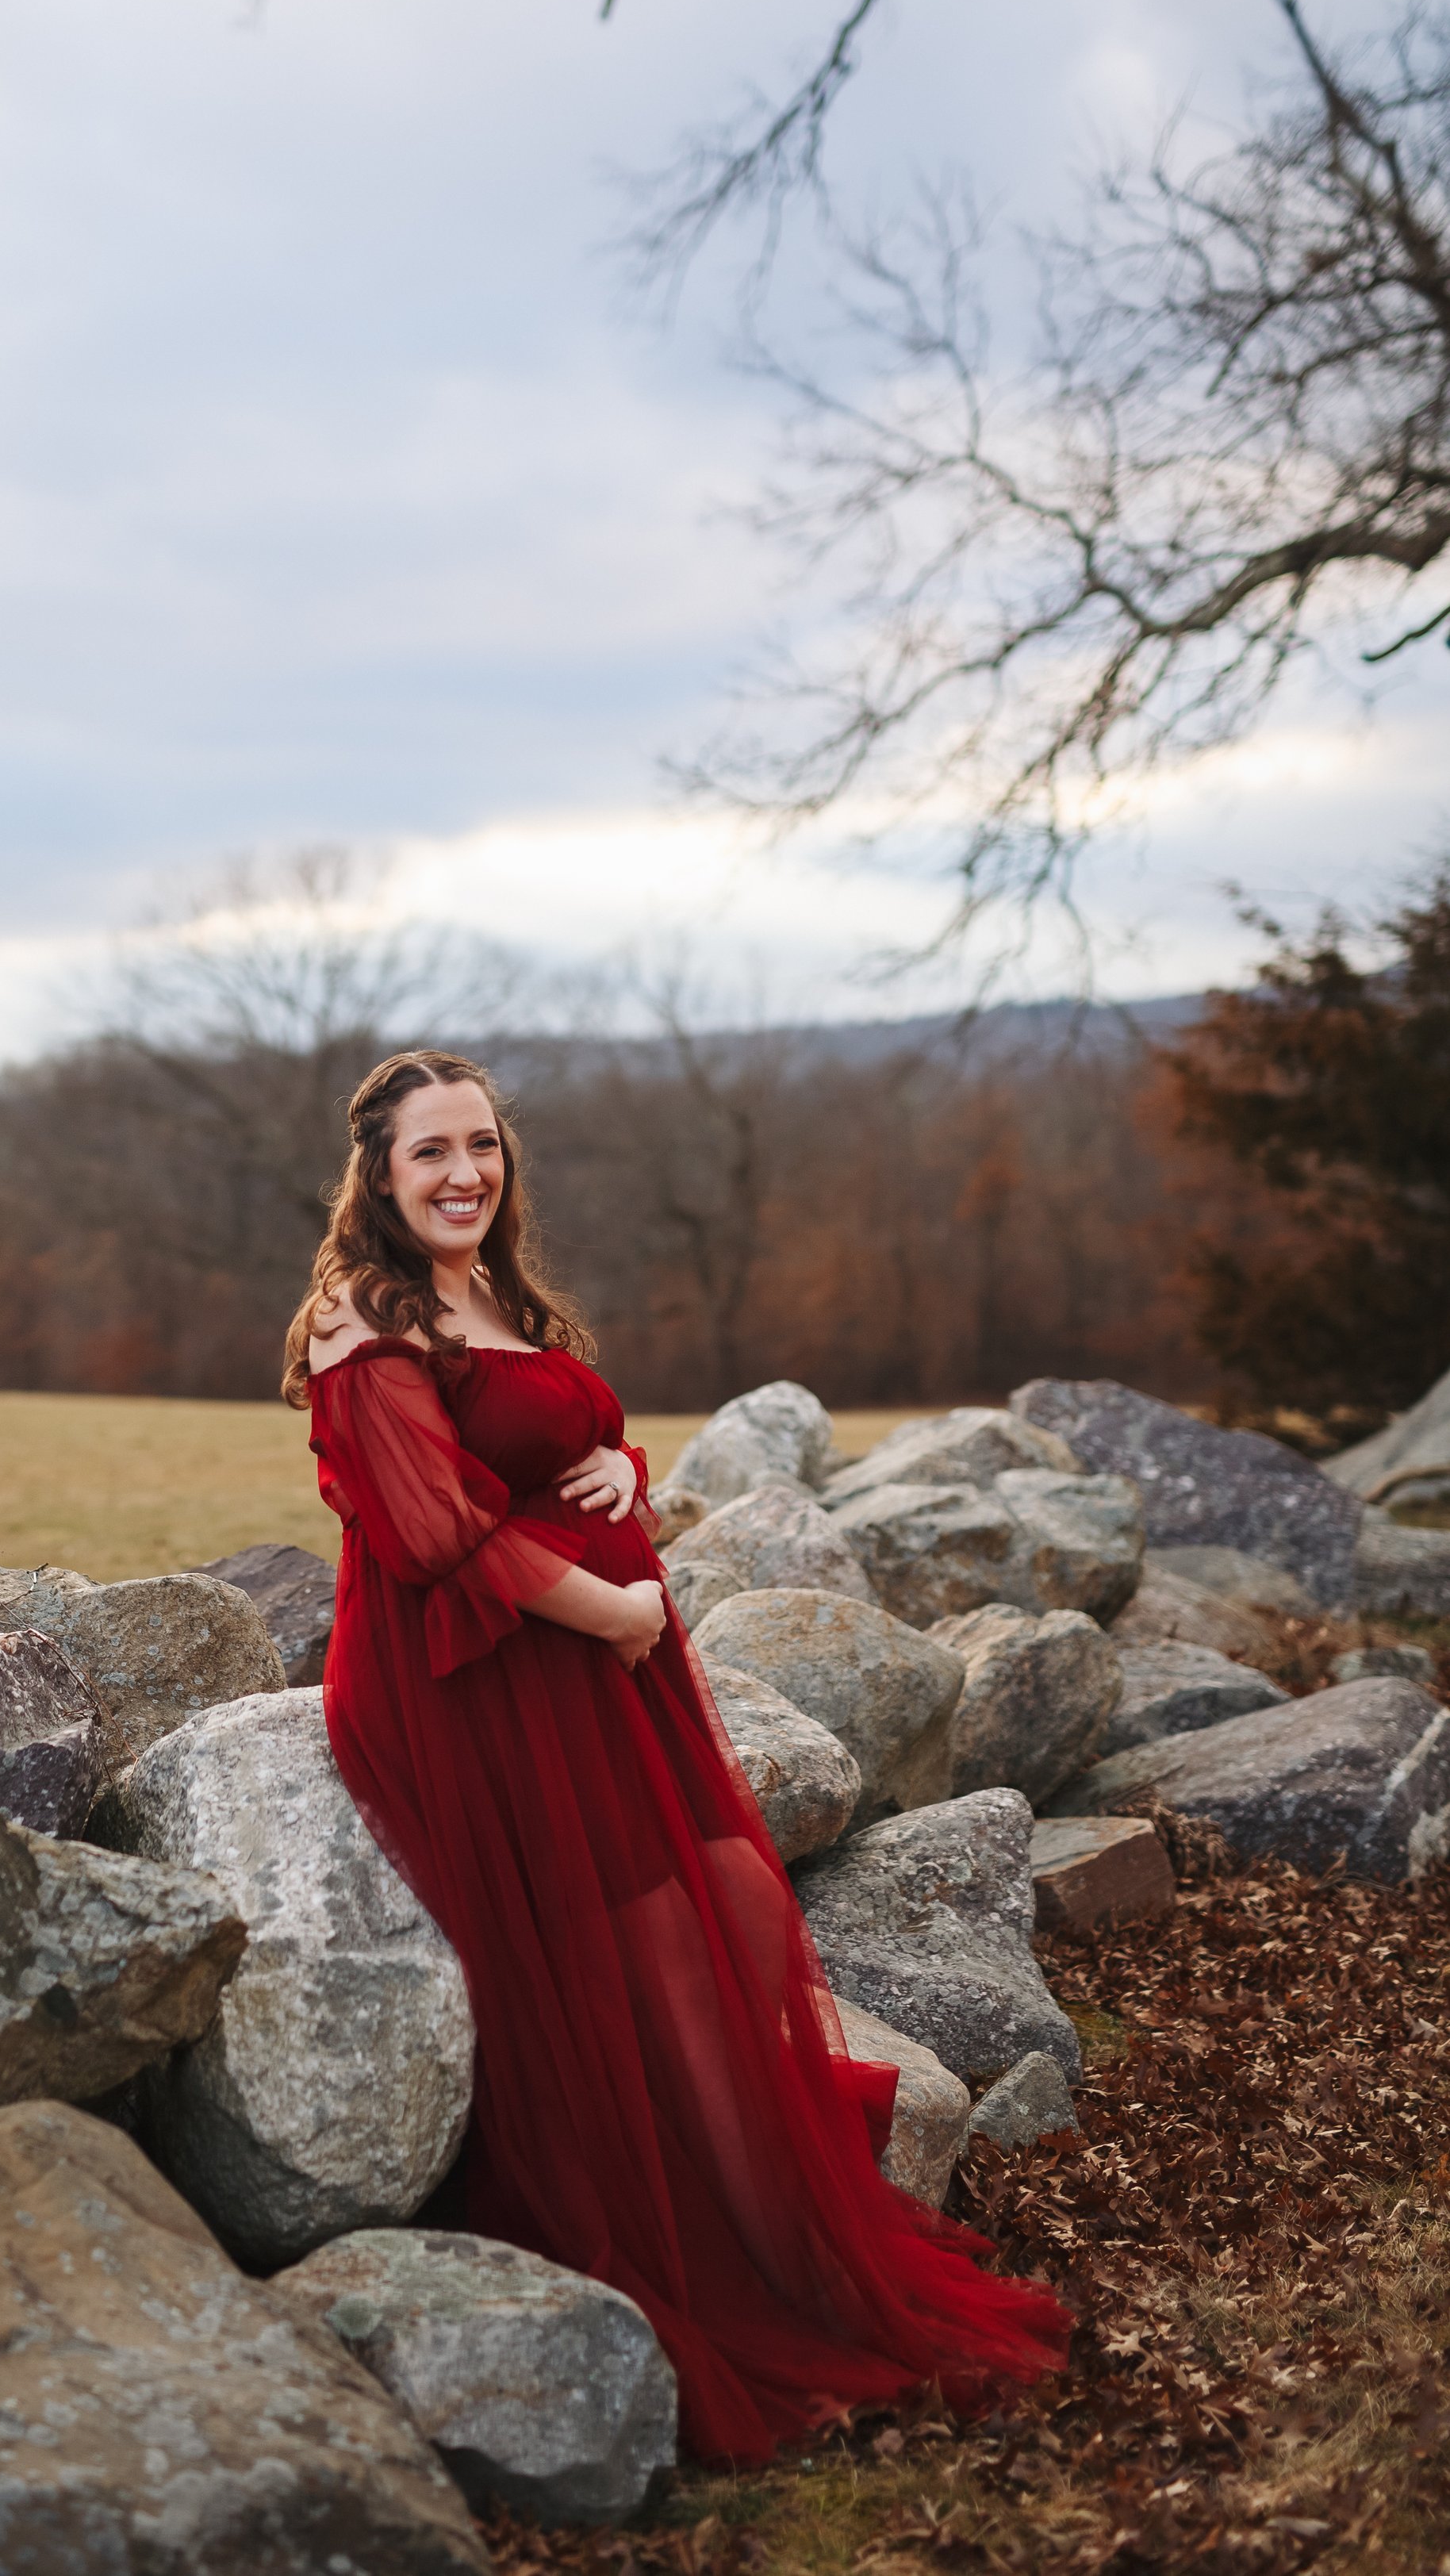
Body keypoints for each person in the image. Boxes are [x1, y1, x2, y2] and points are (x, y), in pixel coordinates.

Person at [286, 1046, 1068, 2466]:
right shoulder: (361, 1318)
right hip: (485, 1689)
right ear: (379, 1176)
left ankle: (780, 2240)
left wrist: (626, 1479)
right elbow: (434, 1530)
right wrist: (621, 1606)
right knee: (643, 1963)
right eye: (431, 1154)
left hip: (593, 1671)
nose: (466, 1172)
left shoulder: (495, 1294)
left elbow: (557, 1440)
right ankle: (744, 2279)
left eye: (483, 1145)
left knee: (740, 1917)